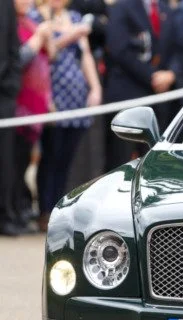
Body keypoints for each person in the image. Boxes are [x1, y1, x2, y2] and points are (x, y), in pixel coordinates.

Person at [36, 0, 102, 232]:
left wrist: (95, 88)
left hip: (76, 96)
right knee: (51, 157)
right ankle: (44, 210)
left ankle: (58, 210)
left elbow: (85, 56)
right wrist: (70, 35)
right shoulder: (39, 17)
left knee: (66, 159)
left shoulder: (74, 16)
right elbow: (50, 53)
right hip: (53, 95)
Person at [103, 0, 177, 171]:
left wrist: (170, 74)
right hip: (128, 94)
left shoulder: (165, 9)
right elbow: (118, 48)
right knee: (121, 164)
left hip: (159, 98)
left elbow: (175, 45)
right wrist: (152, 76)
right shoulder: (123, 7)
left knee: (154, 164)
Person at [14, 0, 55, 233]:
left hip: (37, 105)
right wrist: (38, 36)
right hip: (20, 105)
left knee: (25, 159)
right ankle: (17, 209)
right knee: (17, 161)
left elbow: (50, 56)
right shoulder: (16, 25)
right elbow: (18, 59)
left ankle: (22, 207)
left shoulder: (31, 22)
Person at [1, 0, 23, 236]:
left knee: (5, 160)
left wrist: (12, 85)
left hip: (3, 94)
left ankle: (4, 214)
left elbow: (12, 46)